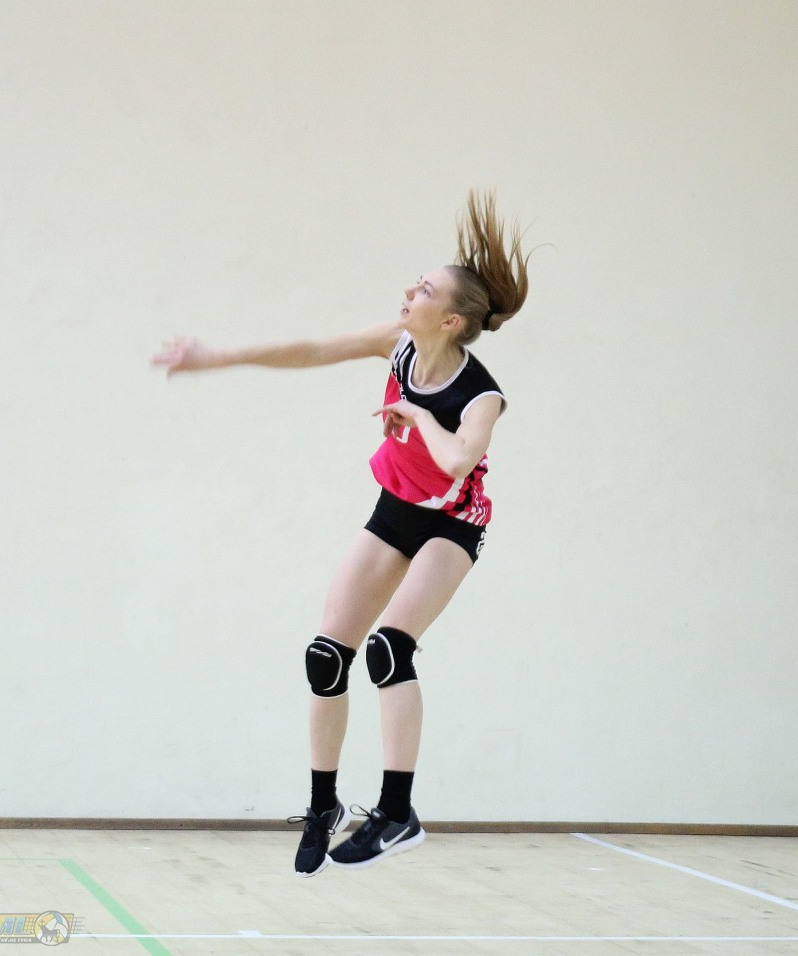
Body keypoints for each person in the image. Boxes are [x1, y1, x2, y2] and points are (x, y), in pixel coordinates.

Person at [152, 190, 531, 876]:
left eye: (424, 290)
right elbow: (312, 349)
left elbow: (457, 461)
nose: (409, 292)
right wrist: (216, 357)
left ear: (450, 320)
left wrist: (419, 416)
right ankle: (322, 804)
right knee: (327, 656)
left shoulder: (482, 395)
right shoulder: (397, 346)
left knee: (389, 648)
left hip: (452, 525)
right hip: (395, 510)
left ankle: (397, 813)